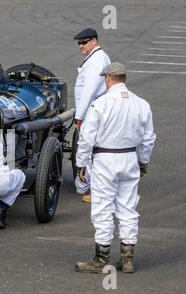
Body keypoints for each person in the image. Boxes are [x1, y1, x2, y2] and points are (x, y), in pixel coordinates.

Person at [74, 62, 156, 273]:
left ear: (108, 78)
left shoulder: (100, 104)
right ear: (124, 79)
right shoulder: (142, 104)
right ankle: (127, 257)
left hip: (105, 159)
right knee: (128, 208)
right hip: (129, 158)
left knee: (102, 207)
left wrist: (81, 163)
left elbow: (86, 137)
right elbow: (148, 139)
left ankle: (101, 258)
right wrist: (143, 160)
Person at [73, 28, 111, 203]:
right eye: (79, 43)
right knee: (92, 147)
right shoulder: (96, 57)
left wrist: (79, 116)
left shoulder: (96, 60)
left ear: (94, 41)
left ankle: (84, 184)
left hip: (92, 110)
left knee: (89, 147)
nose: (81, 46)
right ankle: (84, 183)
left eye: (84, 42)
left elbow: (89, 90)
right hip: (94, 108)